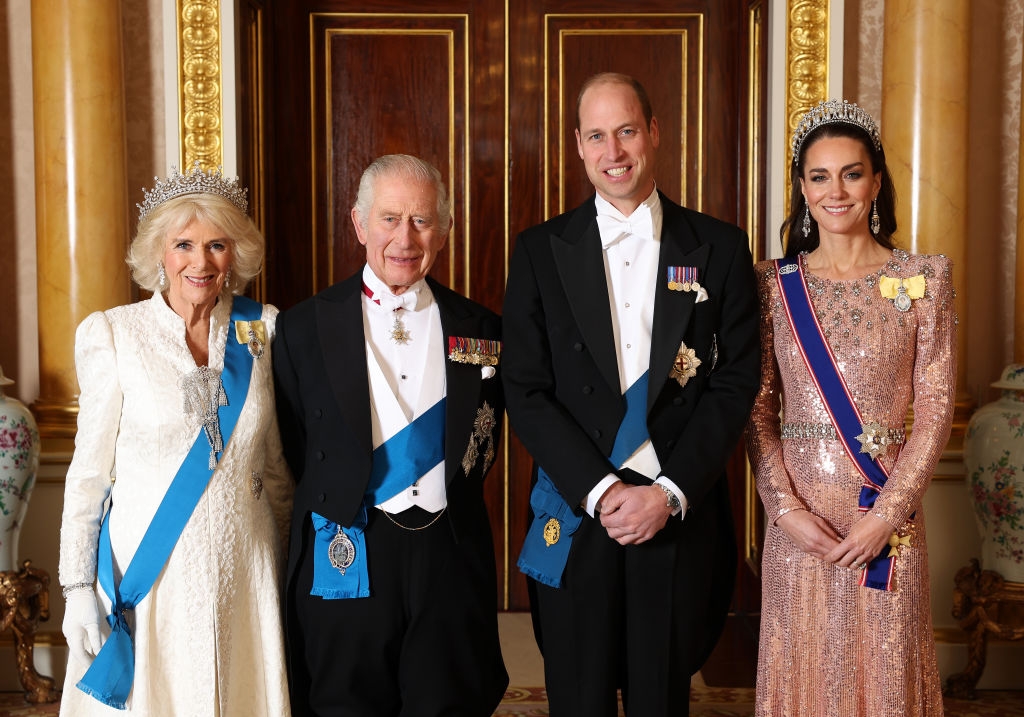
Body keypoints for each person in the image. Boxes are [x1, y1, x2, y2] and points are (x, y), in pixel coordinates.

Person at [503, 72, 760, 717]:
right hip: (579, 505)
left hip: (675, 510)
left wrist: (667, 493)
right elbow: (525, 388)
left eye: (626, 131)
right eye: (596, 136)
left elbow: (734, 383)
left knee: (661, 700)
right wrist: (604, 492)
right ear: (579, 147)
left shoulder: (720, 247)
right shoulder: (539, 250)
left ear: (653, 133)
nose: (613, 151)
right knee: (578, 700)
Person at [274, 154, 508, 716]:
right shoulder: (303, 326)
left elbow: (484, 443)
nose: (405, 238)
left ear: (445, 231)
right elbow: (292, 444)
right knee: (344, 704)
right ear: (358, 224)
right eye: (389, 219)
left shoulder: (483, 329)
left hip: (447, 554)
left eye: (422, 221)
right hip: (348, 546)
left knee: (446, 703)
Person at [58, 163, 293, 715]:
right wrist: (75, 591)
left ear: (236, 253)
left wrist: (286, 570)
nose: (200, 261)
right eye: (183, 244)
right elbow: (88, 477)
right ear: (158, 254)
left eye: (217, 244)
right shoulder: (114, 333)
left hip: (246, 570)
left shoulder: (264, 330)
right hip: (150, 577)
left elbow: (277, 465)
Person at [746, 99, 954, 715]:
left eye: (852, 173)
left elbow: (938, 406)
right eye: (819, 176)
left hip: (886, 518)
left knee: (882, 670)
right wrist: (784, 510)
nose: (836, 191)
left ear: (877, 181)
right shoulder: (771, 284)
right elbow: (758, 409)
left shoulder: (925, 277)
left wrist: (885, 516)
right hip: (801, 524)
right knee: (804, 667)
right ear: (802, 188)